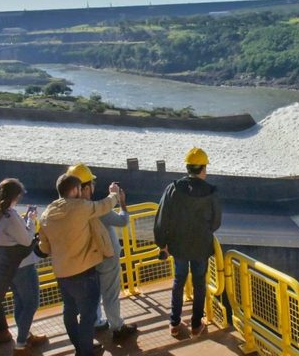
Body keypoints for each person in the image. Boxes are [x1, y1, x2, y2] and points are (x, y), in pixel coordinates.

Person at [38, 174, 119, 356]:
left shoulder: (46, 214)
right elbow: (104, 205)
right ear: (75, 190)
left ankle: (80, 348)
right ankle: (86, 352)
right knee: (88, 316)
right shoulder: (81, 207)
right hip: (84, 272)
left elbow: (44, 246)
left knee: (69, 312)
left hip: (62, 274)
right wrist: (113, 194)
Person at [154, 147, 222, 337]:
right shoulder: (211, 192)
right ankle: (195, 325)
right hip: (201, 246)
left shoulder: (173, 188)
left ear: (187, 167)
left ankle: (174, 323)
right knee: (199, 283)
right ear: (203, 169)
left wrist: (162, 243)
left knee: (179, 281)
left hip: (179, 246)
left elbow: (162, 217)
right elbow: (216, 222)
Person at [66, 163, 137, 343]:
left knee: (93, 295)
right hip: (107, 258)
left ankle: (97, 322)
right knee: (110, 295)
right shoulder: (97, 209)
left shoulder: (67, 210)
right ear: (86, 187)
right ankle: (117, 327)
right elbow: (122, 221)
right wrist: (121, 201)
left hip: (85, 260)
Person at [0, 178, 48, 355]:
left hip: (7, 264)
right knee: (31, 303)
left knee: (19, 301)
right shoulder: (10, 215)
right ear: (15, 196)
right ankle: (20, 343)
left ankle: (25, 335)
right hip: (23, 264)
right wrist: (30, 220)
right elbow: (27, 239)